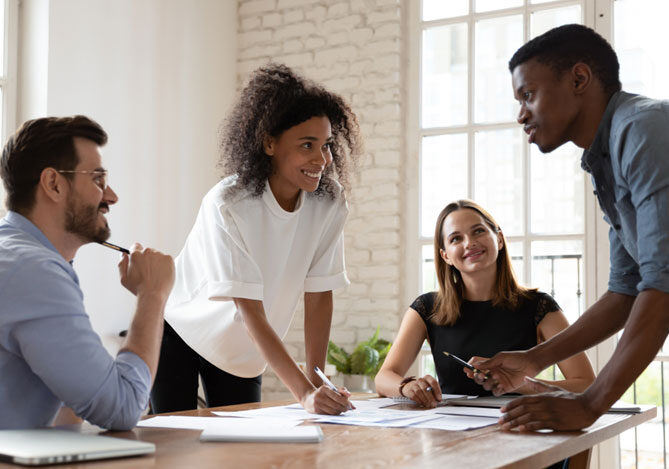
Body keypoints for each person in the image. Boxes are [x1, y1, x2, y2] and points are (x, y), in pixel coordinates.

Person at [469, 24, 669, 431]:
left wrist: (589, 404)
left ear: (579, 78)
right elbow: (626, 290)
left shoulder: (641, 129)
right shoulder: (606, 158)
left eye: (528, 94)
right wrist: (535, 359)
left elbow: (663, 283)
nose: (520, 113)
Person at [150, 63, 362, 415]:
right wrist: (304, 395)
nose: (321, 159)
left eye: (325, 145)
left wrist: (317, 381)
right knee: (176, 448)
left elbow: (320, 295)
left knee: (244, 453)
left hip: (243, 355)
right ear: (269, 143)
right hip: (180, 333)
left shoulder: (329, 202)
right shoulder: (228, 204)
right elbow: (249, 310)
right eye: (307, 145)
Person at [0, 116, 175, 430]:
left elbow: (71, 406)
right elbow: (121, 408)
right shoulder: (34, 271)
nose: (111, 197)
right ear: (54, 184)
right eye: (98, 179)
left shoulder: (16, 257)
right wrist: (152, 294)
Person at [375, 200, 594, 408]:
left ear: (499, 239)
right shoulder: (426, 307)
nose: (469, 243)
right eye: (455, 239)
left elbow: (585, 384)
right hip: (449, 433)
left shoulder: (539, 306)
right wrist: (407, 387)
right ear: (446, 256)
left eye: (478, 231)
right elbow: (384, 378)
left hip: (518, 428)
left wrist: (522, 384)